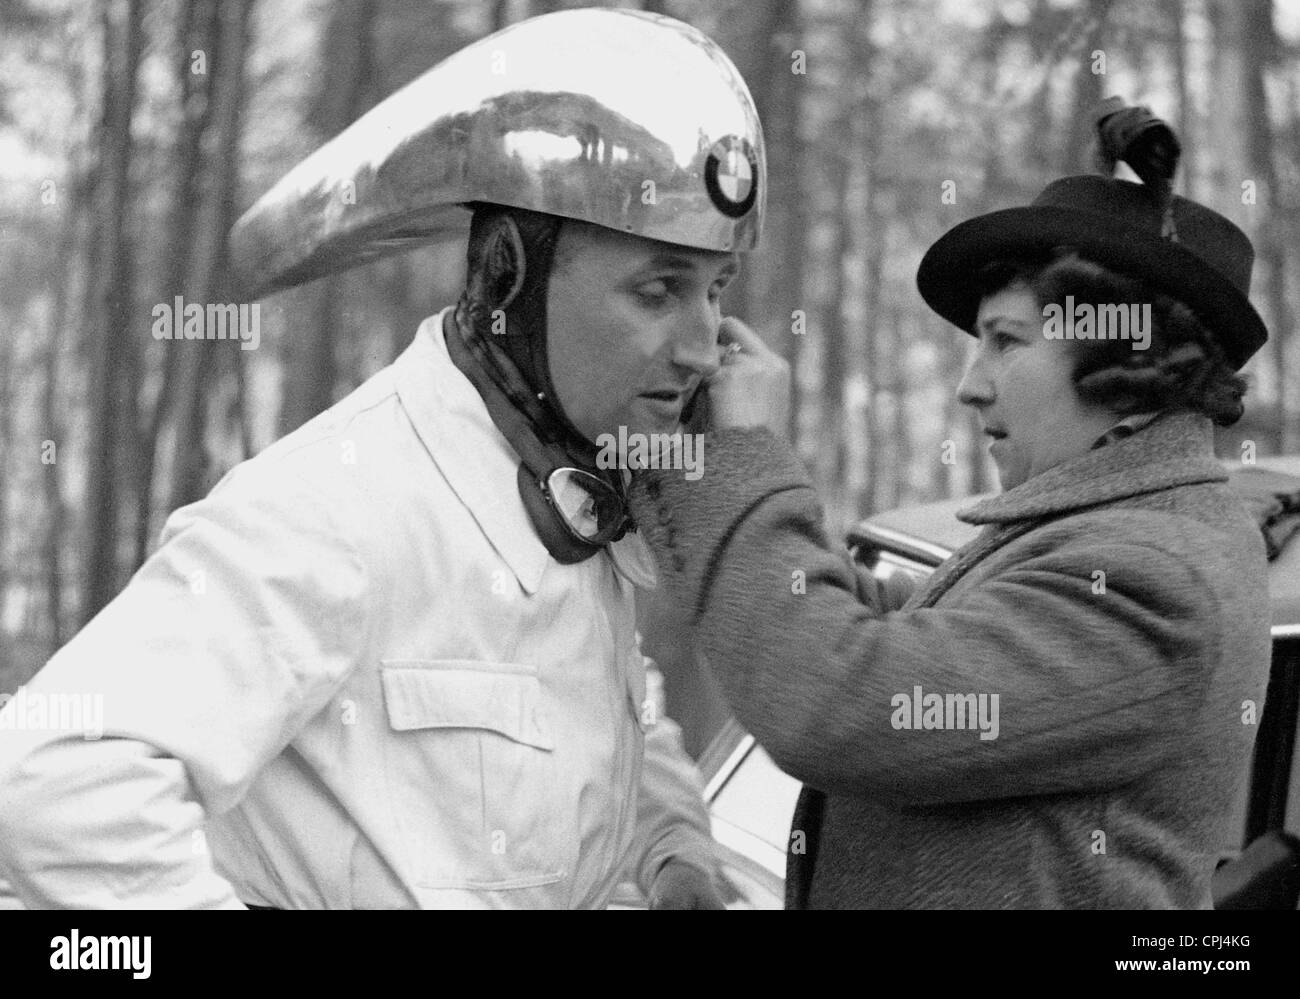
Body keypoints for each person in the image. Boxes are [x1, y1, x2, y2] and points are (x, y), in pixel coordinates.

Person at [0, 8, 766, 909]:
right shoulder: (338, 504)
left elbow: (607, 711)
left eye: (714, 292)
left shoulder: (576, 500)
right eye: (659, 290)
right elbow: (53, 778)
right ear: (507, 281)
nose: (705, 346)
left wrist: (672, 843)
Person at [626, 100, 1272, 908]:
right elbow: (895, 640)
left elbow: (843, 700)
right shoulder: (1116, 529)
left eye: (1006, 340)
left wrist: (740, 458)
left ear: (1130, 364)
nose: (971, 384)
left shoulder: (1157, 577)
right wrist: (686, 458)